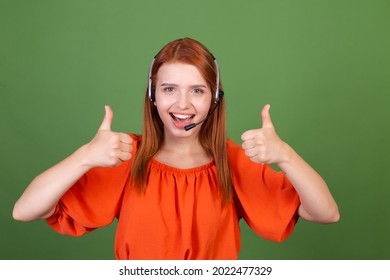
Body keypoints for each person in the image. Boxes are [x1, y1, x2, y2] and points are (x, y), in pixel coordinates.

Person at [13, 37, 339, 260]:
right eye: (170, 89)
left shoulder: (233, 162)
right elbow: (25, 210)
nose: (182, 104)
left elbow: (326, 213)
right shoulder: (127, 157)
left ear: (214, 99)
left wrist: (286, 155)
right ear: (153, 95)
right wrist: (84, 156)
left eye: (197, 90)